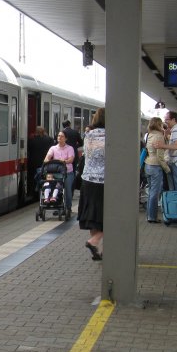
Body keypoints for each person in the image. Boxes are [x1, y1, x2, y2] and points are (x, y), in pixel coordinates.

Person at [79, 108, 105, 261]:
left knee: (93, 217)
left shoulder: (88, 135)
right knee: (109, 216)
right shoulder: (110, 135)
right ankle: (94, 241)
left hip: (87, 180)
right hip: (103, 181)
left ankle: (99, 251)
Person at [143, 117, 170, 223]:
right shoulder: (159, 136)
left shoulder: (149, 135)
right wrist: (167, 169)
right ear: (159, 124)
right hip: (155, 166)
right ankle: (152, 217)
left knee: (151, 192)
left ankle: (149, 215)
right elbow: (160, 156)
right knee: (155, 193)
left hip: (147, 165)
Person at [154, 110, 177, 191]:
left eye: (167, 119)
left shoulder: (176, 130)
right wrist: (166, 136)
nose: (165, 121)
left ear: (173, 120)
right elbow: (176, 143)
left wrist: (162, 145)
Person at [43, 131, 75, 214]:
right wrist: (49, 160)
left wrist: (63, 161)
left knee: (67, 190)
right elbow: (47, 158)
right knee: (55, 189)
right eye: (58, 136)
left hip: (68, 172)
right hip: (56, 173)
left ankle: (68, 207)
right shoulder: (53, 148)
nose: (59, 137)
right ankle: (59, 207)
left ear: (66, 138)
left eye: (62, 136)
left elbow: (71, 160)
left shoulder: (70, 148)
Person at [27, 126, 54, 196]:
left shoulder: (31, 140)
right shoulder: (49, 139)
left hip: (33, 162)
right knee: (45, 177)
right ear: (44, 131)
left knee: (32, 178)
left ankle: (32, 192)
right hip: (45, 162)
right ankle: (45, 192)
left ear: (36, 132)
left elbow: (29, 150)